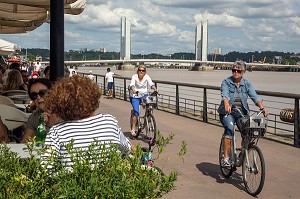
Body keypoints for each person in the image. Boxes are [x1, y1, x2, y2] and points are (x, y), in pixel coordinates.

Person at [41, 76, 132, 171]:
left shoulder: (57, 131)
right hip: (111, 182)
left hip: (73, 184)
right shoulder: (109, 121)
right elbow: (126, 149)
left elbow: (45, 168)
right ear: (93, 98)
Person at [217, 61, 268, 167]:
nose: (235, 72)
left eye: (238, 71)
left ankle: (241, 154)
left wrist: (262, 107)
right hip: (228, 112)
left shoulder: (247, 84)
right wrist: (226, 105)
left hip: (242, 112)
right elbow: (225, 95)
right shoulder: (226, 82)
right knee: (230, 130)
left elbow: (255, 97)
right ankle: (226, 158)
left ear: (243, 72)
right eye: (234, 70)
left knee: (248, 132)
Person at [21, 78, 54, 143]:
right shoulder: (34, 117)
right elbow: (25, 143)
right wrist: (41, 125)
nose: (38, 97)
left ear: (52, 93)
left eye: (42, 93)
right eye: (34, 95)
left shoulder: (66, 114)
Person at [129, 65, 157, 136]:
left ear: (145, 72)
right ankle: (133, 128)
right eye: (140, 70)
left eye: (143, 70)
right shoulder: (134, 76)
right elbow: (132, 85)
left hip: (144, 95)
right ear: (137, 71)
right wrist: (134, 90)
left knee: (150, 107)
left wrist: (155, 89)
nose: (141, 71)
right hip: (135, 96)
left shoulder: (146, 77)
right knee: (137, 112)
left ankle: (148, 117)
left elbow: (151, 84)